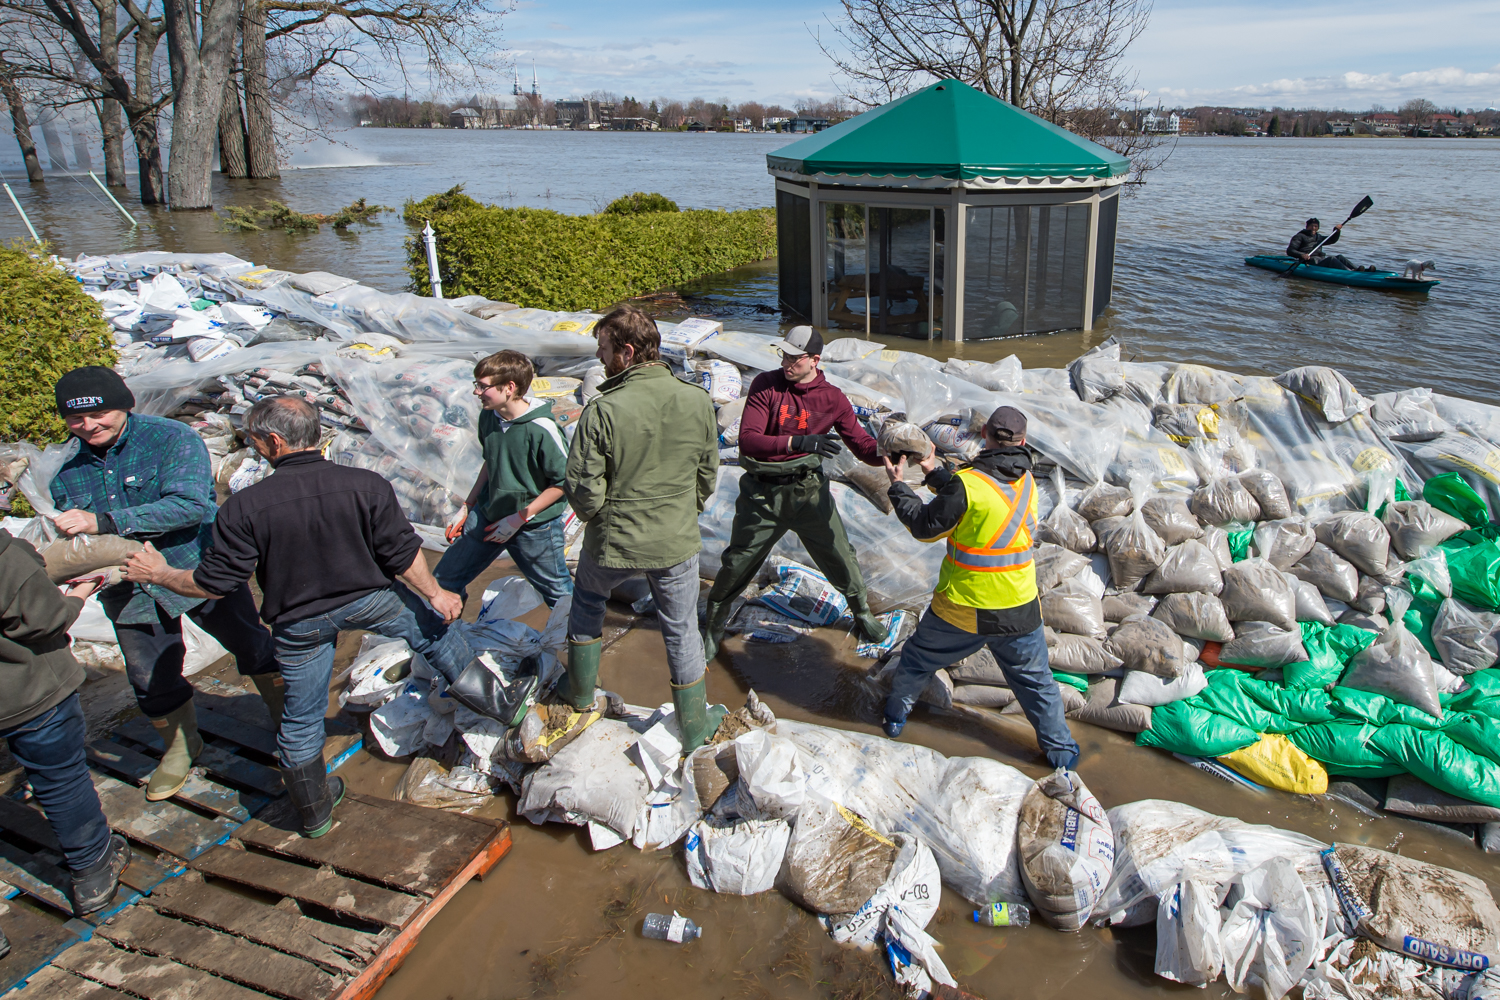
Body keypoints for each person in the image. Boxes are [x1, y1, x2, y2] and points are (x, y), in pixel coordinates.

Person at [125, 396, 491, 838]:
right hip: (371, 599)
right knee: (437, 637)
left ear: (274, 442)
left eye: (255, 439)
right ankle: (497, 711)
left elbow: (213, 584)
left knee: (301, 717)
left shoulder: (243, 507)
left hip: (300, 623)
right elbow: (402, 552)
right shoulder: (366, 484)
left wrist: (160, 573)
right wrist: (436, 595)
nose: (253, 445)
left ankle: (314, 812)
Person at [49, 366, 277, 803]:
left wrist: (105, 522)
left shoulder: (171, 438)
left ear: (125, 406)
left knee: (250, 643)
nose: (88, 426)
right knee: (149, 675)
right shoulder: (66, 467)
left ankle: (284, 716)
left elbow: (190, 505)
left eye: (100, 414)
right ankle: (181, 746)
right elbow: (76, 537)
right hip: (128, 586)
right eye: (75, 419)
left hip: (194, 566)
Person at [555, 306, 723, 751]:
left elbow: (582, 487)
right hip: (675, 540)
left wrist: (597, 517)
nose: (600, 356)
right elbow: (708, 473)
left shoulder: (602, 410)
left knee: (589, 601)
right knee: (682, 627)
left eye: (604, 349)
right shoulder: (696, 400)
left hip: (614, 540)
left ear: (626, 353)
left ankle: (578, 696)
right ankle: (692, 730)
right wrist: (686, 512)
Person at [879, 405, 1080, 770]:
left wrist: (897, 485)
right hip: (1019, 607)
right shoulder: (1028, 481)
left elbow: (927, 526)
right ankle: (1062, 758)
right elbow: (978, 496)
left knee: (916, 660)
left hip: (963, 607)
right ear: (1022, 441)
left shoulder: (968, 483)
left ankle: (894, 719)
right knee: (1037, 686)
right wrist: (934, 473)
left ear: (983, 432)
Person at [701, 325, 889, 660]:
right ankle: (714, 624)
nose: (787, 362)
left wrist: (892, 453)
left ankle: (861, 612)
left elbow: (862, 446)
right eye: (784, 354)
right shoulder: (766, 385)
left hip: (808, 492)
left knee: (840, 555)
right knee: (738, 561)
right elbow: (749, 439)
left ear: (815, 360)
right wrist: (798, 441)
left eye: (795, 357)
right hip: (762, 493)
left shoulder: (832, 399)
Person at [0, 527, 132, 916]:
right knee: (60, 779)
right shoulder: (6, 557)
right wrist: (78, 595)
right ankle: (92, 869)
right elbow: (46, 619)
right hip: (31, 692)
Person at [436, 350, 572, 609]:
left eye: (482, 386)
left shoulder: (541, 429)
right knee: (443, 581)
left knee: (560, 596)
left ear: (509, 387)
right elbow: (492, 461)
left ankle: (580, 645)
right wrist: (468, 505)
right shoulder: (490, 416)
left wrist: (520, 517)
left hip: (534, 527)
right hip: (489, 515)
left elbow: (563, 482)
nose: (477, 392)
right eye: (476, 385)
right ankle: (446, 644)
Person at [1286, 218, 1371, 271]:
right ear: (1307, 226)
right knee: (1331, 259)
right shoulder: (1300, 236)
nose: (1313, 228)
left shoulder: (1318, 237)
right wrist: (1302, 255)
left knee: (1340, 257)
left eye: (1316, 226)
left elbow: (1332, 240)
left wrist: (1337, 231)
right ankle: (1350, 273)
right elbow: (1290, 250)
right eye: (1311, 226)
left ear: (1318, 228)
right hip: (1309, 261)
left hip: (1320, 260)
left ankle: (1357, 270)